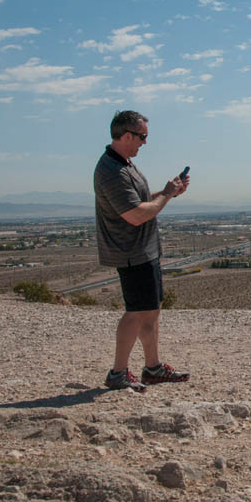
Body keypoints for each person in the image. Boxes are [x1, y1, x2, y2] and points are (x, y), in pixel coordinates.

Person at [94, 110, 191, 392]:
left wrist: (165, 192)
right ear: (126, 135)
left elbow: (140, 202)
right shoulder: (111, 171)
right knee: (136, 311)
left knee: (150, 310)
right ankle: (118, 373)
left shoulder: (124, 164)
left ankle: (153, 367)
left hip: (143, 250)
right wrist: (167, 195)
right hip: (131, 251)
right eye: (142, 137)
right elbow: (135, 214)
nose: (145, 143)